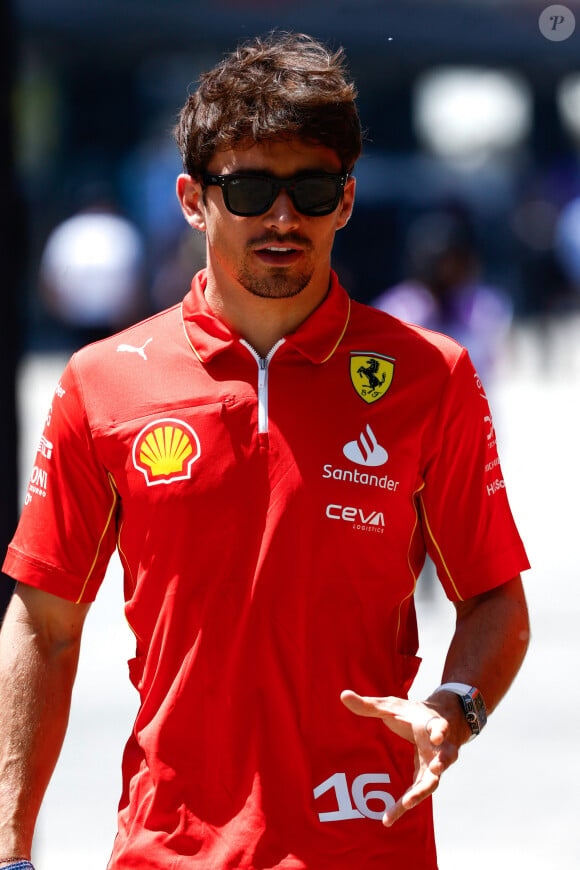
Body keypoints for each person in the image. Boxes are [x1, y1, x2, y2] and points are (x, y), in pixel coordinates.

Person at [0, 32, 530, 870]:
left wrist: (457, 704)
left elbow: (496, 595)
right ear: (191, 198)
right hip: (167, 847)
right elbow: (43, 624)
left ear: (346, 200)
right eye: (249, 189)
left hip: (369, 843)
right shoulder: (101, 382)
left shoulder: (432, 375)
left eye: (311, 188)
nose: (283, 217)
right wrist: (12, 848)